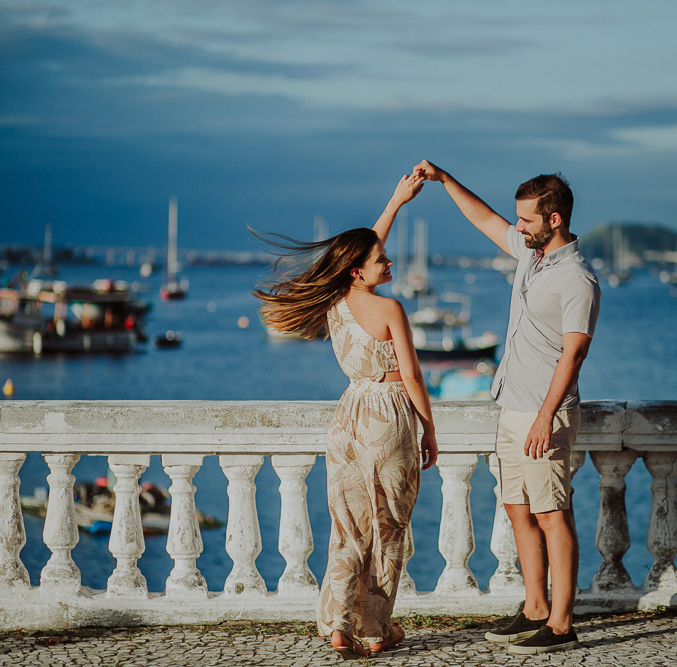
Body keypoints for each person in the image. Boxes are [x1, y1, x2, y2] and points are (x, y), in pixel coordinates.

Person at [412, 160, 600, 655]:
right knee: (519, 511)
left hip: (545, 414)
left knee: (552, 513)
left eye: (527, 220)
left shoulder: (577, 278)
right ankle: (535, 607)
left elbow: (574, 352)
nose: (517, 227)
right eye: (519, 219)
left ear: (554, 220)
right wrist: (446, 179)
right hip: (511, 408)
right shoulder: (531, 256)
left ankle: (561, 623)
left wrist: (544, 415)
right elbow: (485, 220)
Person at [253, 173, 438, 660]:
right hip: (389, 415)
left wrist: (396, 201)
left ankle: (338, 626)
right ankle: (375, 630)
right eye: (381, 260)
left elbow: (363, 247)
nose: (389, 260)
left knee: (349, 527)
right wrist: (430, 429)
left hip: (349, 416)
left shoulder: (336, 302)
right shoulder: (390, 309)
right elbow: (414, 377)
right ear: (358, 269)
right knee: (389, 526)